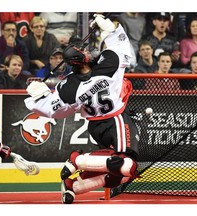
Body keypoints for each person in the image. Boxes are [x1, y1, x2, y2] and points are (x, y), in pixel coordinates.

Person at [24, 14, 140, 204]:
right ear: (81, 58)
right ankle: (77, 160)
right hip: (114, 121)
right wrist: (111, 31)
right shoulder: (108, 63)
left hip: (96, 127)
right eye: (87, 50)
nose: (93, 50)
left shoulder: (68, 85)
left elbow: (53, 109)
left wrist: (37, 96)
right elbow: (122, 48)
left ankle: (73, 186)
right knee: (128, 164)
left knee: (118, 174)